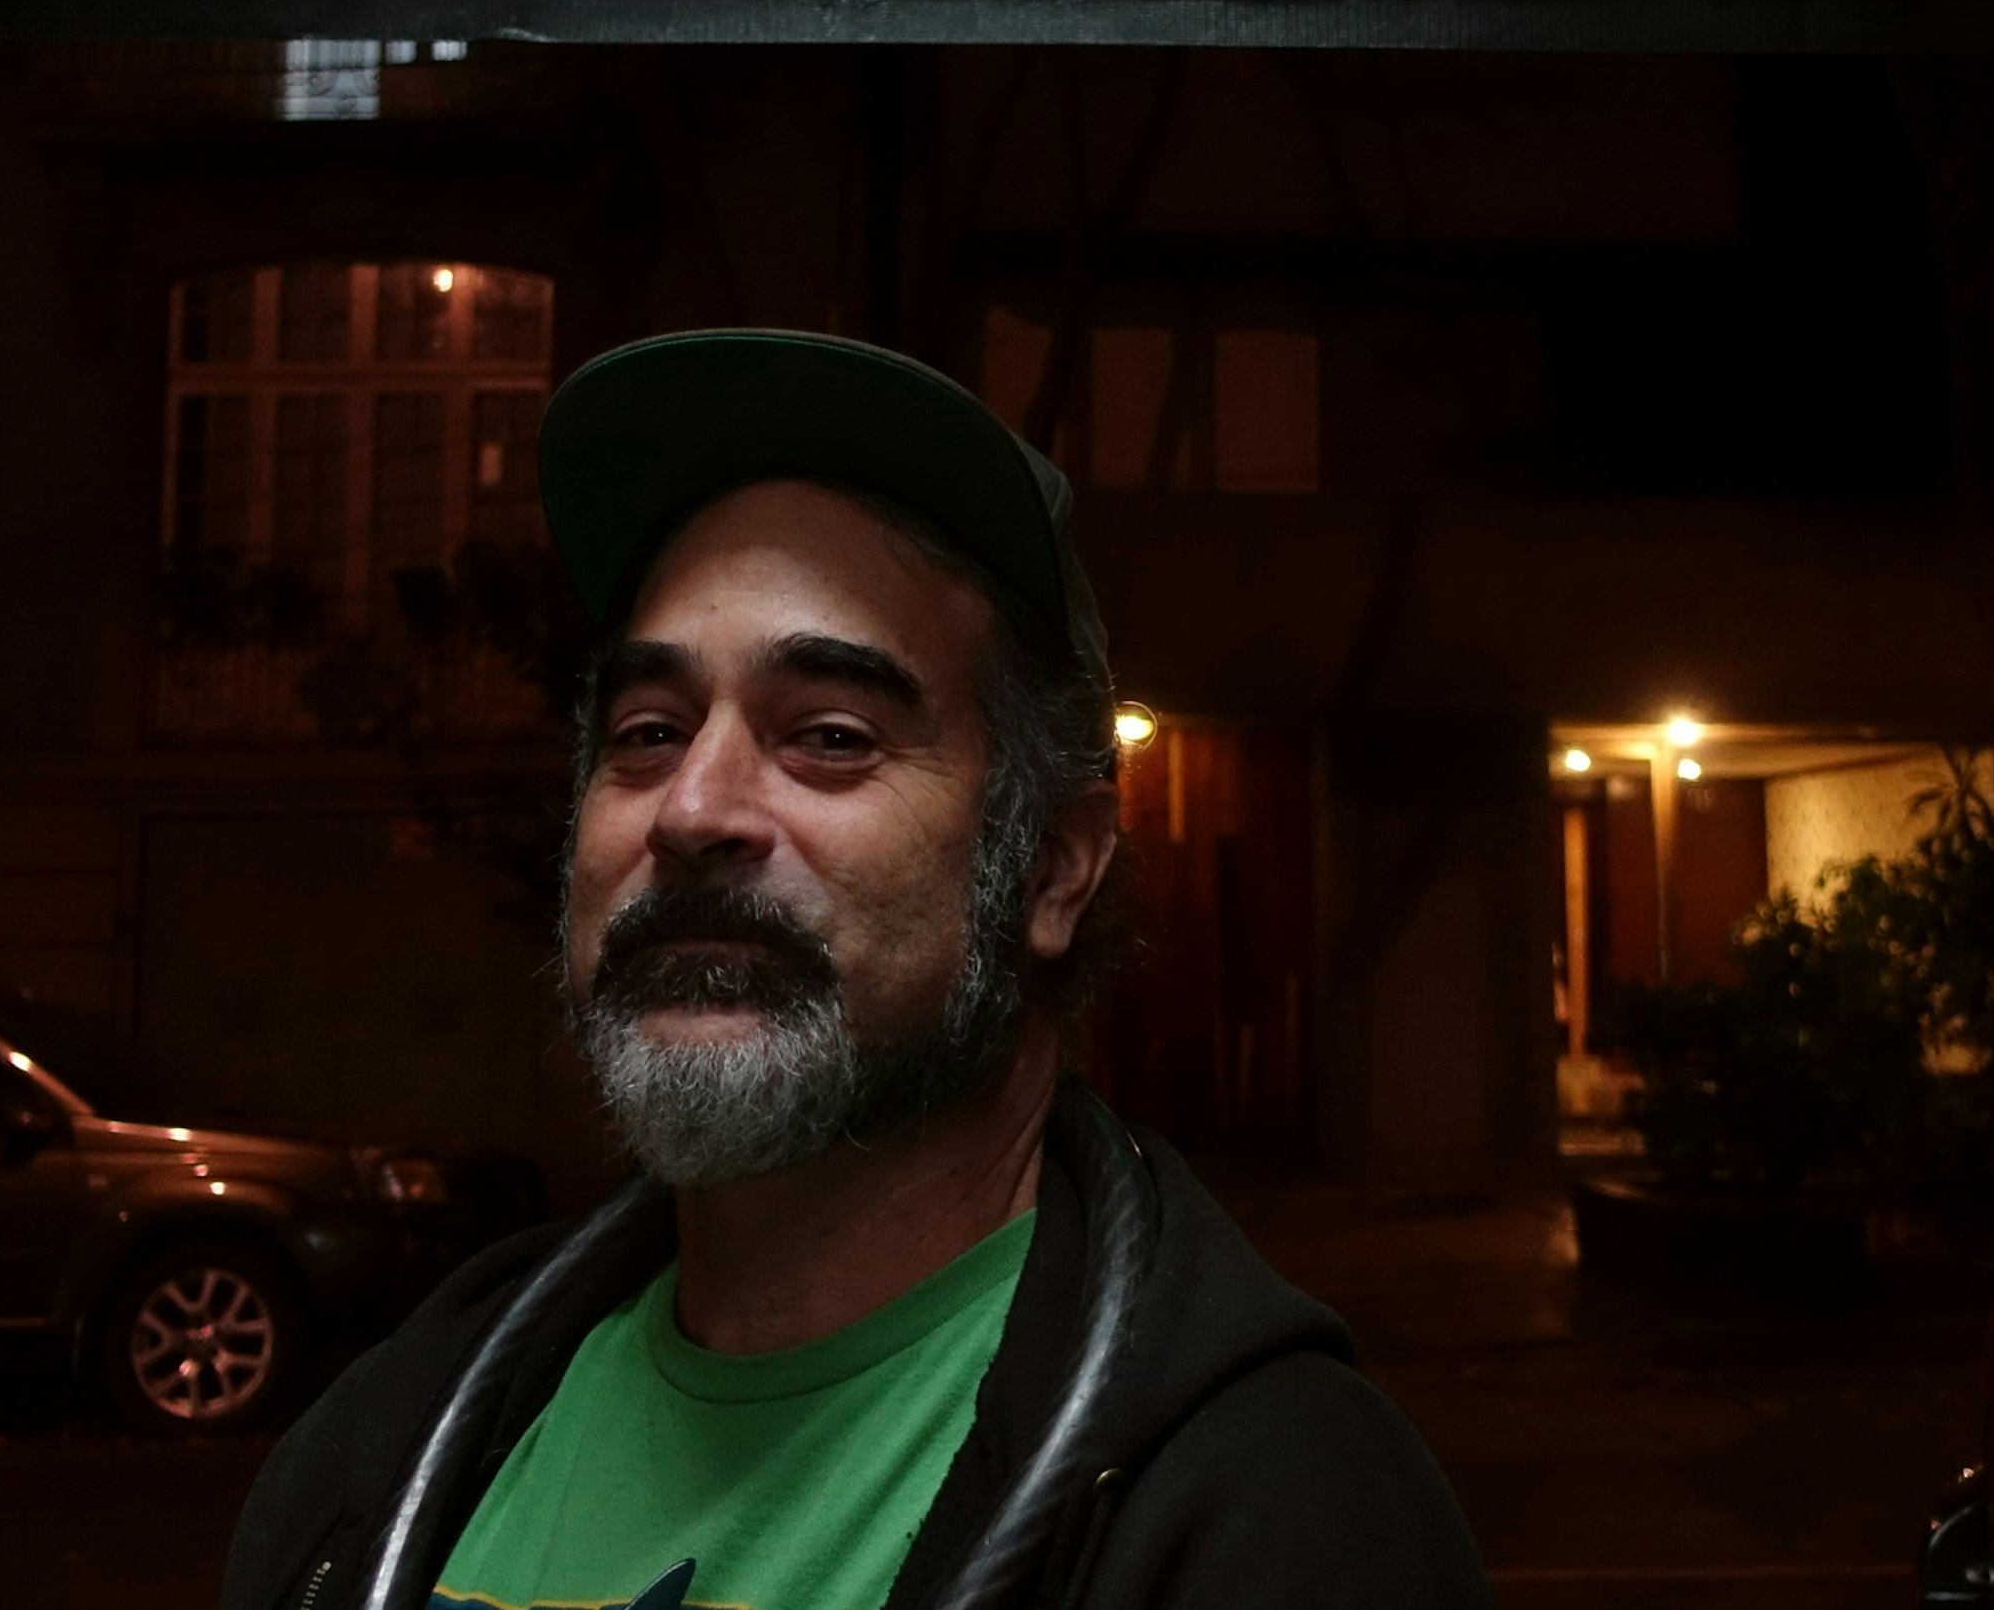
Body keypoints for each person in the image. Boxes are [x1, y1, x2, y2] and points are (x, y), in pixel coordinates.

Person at [220, 330, 1491, 1610]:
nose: (693, 809)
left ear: (1054, 867)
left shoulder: (1276, 1515)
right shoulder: (384, 1438)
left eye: (830, 735)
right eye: (648, 732)